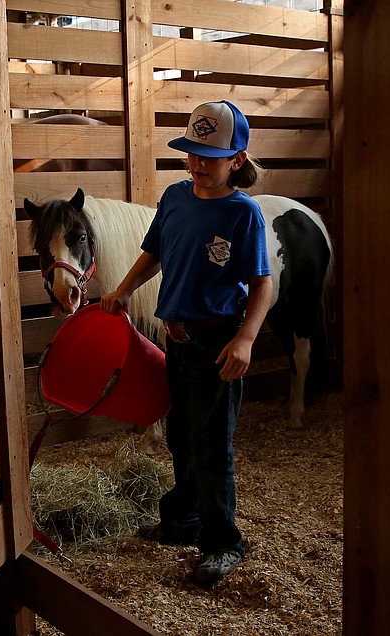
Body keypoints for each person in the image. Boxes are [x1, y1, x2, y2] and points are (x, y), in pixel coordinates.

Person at [100, 100, 272, 586]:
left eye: (210, 156)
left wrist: (246, 339)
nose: (197, 164)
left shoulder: (244, 214)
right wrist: (125, 289)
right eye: (192, 154)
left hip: (217, 341)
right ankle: (183, 521)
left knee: (212, 445)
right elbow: (155, 251)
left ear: (236, 159)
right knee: (181, 434)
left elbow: (262, 283)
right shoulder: (176, 198)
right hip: (175, 338)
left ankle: (223, 543)